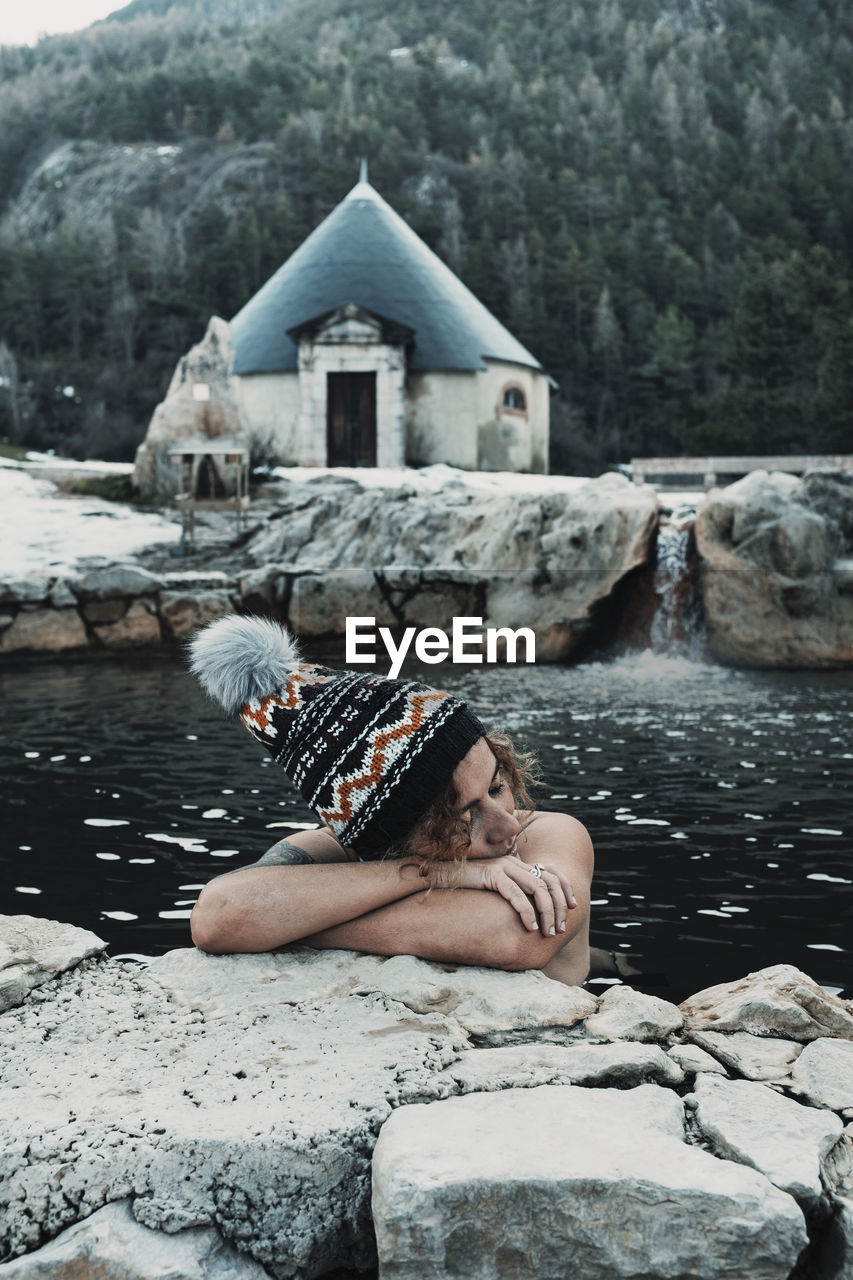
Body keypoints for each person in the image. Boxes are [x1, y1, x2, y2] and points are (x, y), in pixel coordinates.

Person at [187, 614, 593, 987]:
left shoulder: (549, 833)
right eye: (461, 819)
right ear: (388, 839)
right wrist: (435, 873)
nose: (508, 825)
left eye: (497, 786)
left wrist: (295, 924)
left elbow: (517, 934)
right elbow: (219, 915)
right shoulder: (338, 848)